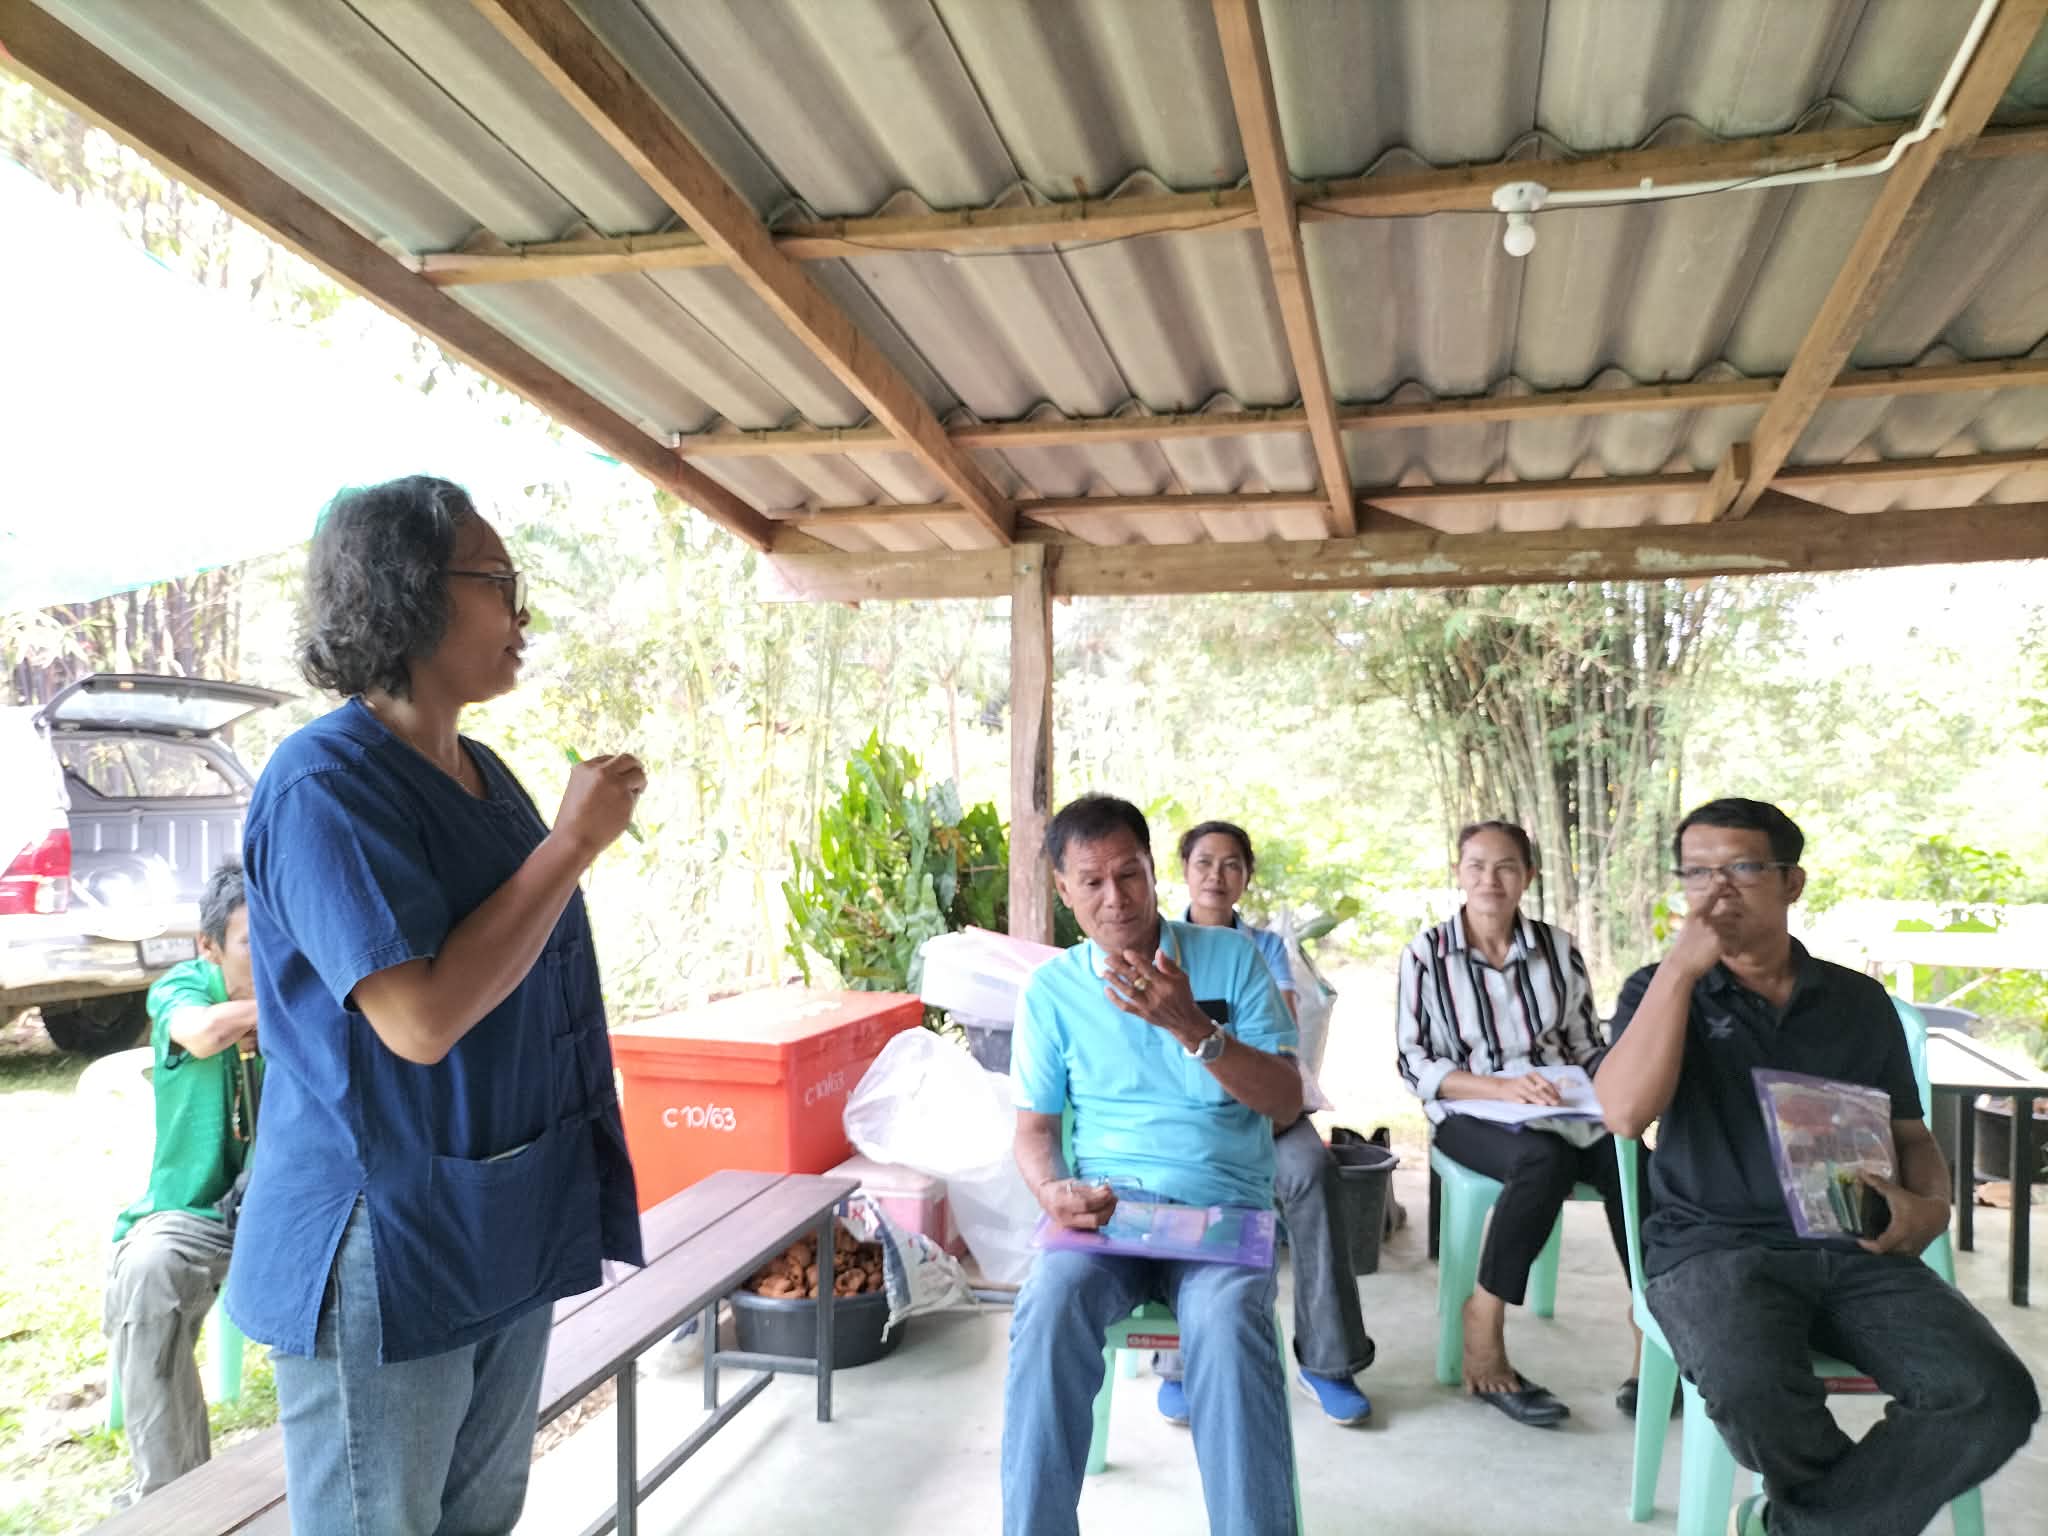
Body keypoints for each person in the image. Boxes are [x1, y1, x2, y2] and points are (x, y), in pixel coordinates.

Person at [222, 476, 648, 1535]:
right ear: (409, 592)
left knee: (480, 1520)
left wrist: (561, 846)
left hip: (495, 1209)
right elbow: (418, 1021)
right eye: (497, 580)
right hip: (386, 1236)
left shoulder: (481, 772)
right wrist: (571, 844)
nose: (522, 611)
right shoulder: (323, 786)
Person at [1596, 798, 2038, 1536]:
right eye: (1697, 874)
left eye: (1742, 868)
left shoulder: (1858, 1002)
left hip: (1858, 1246)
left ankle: (1793, 1526)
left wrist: (1932, 1206)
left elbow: (1911, 1135)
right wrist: (1679, 971)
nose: (1717, 891)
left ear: (1792, 882)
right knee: (1750, 1386)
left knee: (1991, 1394)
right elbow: (1621, 1114)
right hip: (1714, 1247)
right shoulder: (1658, 990)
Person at [1003, 795, 1303, 1536]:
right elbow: (1035, 1130)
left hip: (1222, 1213)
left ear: (1153, 871)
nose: (1116, 898)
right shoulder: (1052, 991)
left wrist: (1194, 1028)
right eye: (1092, 882)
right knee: (1047, 1306)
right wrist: (1051, 1189)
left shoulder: (1230, 959)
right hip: (1110, 1215)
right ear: (1064, 891)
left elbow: (1285, 1102)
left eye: (1129, 874)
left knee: (1228, 1323)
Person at [1396, 819, 1636, 1427]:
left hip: (1561, 1105)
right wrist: (1501, 1088)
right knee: (1543, 1160)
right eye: (1476, 866)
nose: (1490, 880)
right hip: (1469, 1110)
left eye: (1506, 867)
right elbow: (1413, 1061)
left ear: (1528, 875)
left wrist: (1610, 1090)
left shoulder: (1558, 948)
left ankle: (1651, 1329)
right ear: (1459, 873)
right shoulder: (1427, 953)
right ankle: (1485, 1320)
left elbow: (1584, 1043)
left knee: (1633, 1162)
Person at [1150, 819, 1373, 1428]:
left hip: (1265, 1112)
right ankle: (1178, 1364)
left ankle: (1328, 1362)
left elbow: (1278, 1036)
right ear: (1184, 871)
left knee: (1313, 1172)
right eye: (1204, 863)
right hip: (1189, 1116)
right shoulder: (1159, 944)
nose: (1216, 876)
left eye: (1231, 864)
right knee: (1182, 1179)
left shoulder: (1266, 949)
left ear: (1247, 876)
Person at [103, 860, 261, 1503]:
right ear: (209, 947)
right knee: (147, 1270)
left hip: (291, 1203)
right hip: (195, 1212)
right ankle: (174, 1500)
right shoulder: (182, 987)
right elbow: (200, 1034)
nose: (272, 956)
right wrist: (282, 1010)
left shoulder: (306, 982)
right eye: (251, 942)